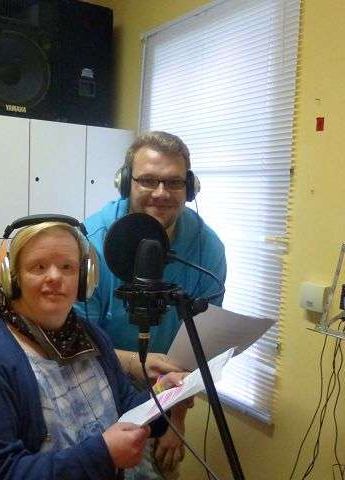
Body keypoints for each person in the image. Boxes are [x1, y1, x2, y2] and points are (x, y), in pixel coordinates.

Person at [0, 218, 188, 480]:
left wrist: (162, 395)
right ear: (12, 278)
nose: (54, 277)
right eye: (38, 267)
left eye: (67, 267)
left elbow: (125, 407)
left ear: (85, 278)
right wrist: (102, 455)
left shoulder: (90, 336)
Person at [75, 131, 227, 478]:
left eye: (174, 182)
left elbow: (197, 345)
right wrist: (133, 363)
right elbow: (76, 342)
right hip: (96, 379)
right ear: (126, 182)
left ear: (190, 187)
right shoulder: (91, 243)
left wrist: (176, 420)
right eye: (148, 180)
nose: (161, 193)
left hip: (168, 387)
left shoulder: (207, 250)